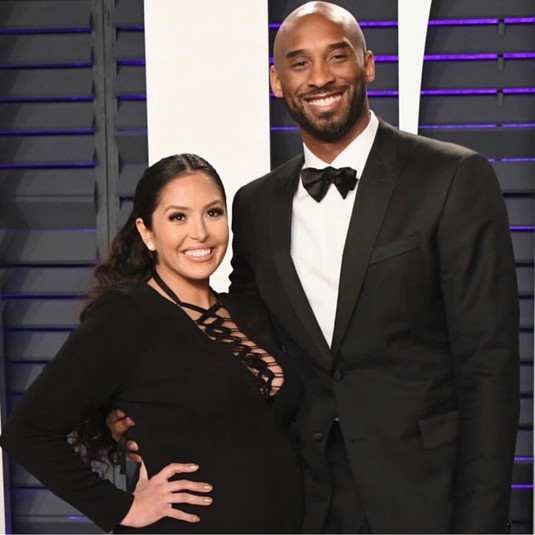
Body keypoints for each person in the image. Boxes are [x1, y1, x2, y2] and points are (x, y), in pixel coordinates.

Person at [109, 2, 520, 533]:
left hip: (425, 496)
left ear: (368, 65)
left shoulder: (452, 177)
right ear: (276, 81)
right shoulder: (256, 205)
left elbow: (489, 367)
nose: (320, 77)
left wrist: (482, 522)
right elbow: (239, 340)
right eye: (299, 63)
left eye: (337, 56)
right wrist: (142, 401)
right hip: (301, 498)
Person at [0, 154, 304, 533]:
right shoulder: (126, 316)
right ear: (147, 232)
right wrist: (123, 508)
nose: (200, 233)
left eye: (212, 213)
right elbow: (27, 432)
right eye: (178, 217)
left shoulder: (248, 309)